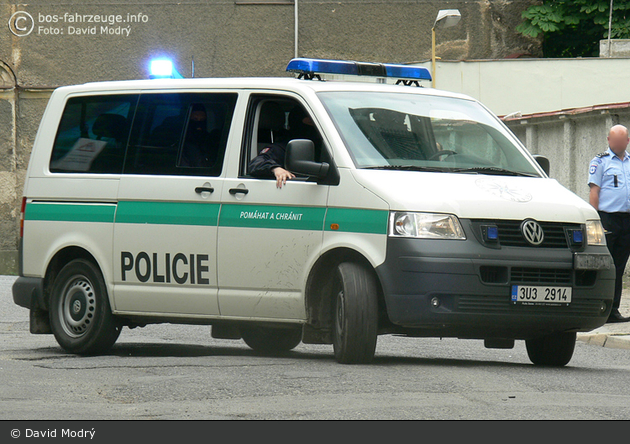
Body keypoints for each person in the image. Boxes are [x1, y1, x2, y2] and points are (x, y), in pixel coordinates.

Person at [588, 124, 630, 323]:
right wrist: (595, 220)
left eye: (622, 140)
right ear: (609, 140)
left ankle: (613, 310)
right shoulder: (600, 161)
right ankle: (598, 308)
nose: (618, 143)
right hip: (608, 219)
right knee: (605, 266)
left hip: (627, 220)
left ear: (627, 141)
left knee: (619, 267)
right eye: (614, 140)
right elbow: (594, 191)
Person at [248, 105, 320, 189]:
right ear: (296, 121)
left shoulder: (326, 147)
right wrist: (275, 168)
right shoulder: (282, 147)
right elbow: (257, 162)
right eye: (310, 123)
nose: (313, 127)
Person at [180, 104, 217, 168]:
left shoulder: (210, 139)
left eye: (202, 119)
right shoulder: (181, 140)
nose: (199, 122)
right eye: (195, 119)